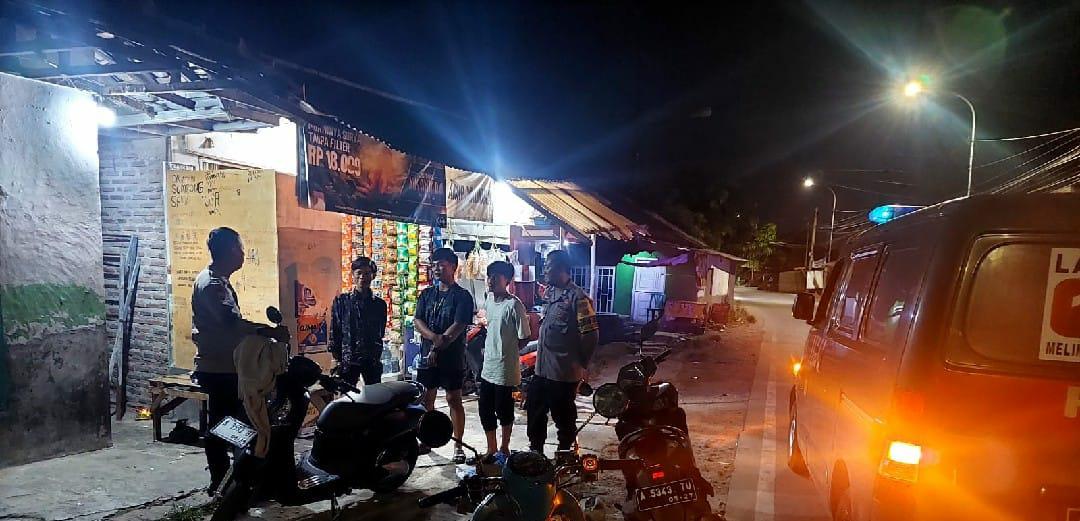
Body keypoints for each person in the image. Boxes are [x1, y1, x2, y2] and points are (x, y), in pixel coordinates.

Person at [191, 227, 287, 495]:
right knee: (228, 424)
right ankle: (226, 482)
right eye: (241, 248)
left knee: (231, 422)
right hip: (219, 367)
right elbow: (231, 322)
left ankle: (234, 481)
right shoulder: (212, 284)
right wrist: (269, 332)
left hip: (224, 364)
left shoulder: (217, 280)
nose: (244, 254)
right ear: (230, 251)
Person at [527, 250, 599, 456]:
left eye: (548, 266)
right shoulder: (550, 293)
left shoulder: (578, 298)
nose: (544, 270)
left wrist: (582, 364)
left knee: (564, 418)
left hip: (563, 373)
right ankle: (536, 453)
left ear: (561, 269)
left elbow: (591, 335)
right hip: (542, 370)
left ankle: (566, 455)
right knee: (535, 412)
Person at [414, 247, 475, 463]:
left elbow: (458, 325)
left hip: (452, 357)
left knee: (453, 399)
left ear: (453, 267)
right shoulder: (427, 294)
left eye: (442, 264)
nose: (437, 269)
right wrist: (433, 338)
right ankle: (426, 440)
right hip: (427, 356)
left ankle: (458, 445)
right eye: (434, 265)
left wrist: (438, 346)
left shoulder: (462, 296)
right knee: (426, 399)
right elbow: (418, 320)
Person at [478, 260, 531, 460]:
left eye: (495, 277)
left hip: (505, 369)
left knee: (504, 409)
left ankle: (504, 447)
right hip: (488, 367)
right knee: (485, 409)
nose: (490, 281)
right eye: (489, 277)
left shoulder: (514, 305)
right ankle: (491, 448)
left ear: (507, 280)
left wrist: (509, 351)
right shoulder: (489, 300)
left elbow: (525, 336)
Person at [329, 257, 388, 386]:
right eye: (359, 273)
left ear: (373, 276)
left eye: (367, 273)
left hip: (371, 358)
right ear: (353, 275)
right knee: (347, 394)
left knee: (374, 393)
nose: (362, 277)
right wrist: (336, 358)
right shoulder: (341, 301)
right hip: (348, 359)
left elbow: (381, 331)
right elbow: (335, 330)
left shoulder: (379, 304)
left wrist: (376, 352)